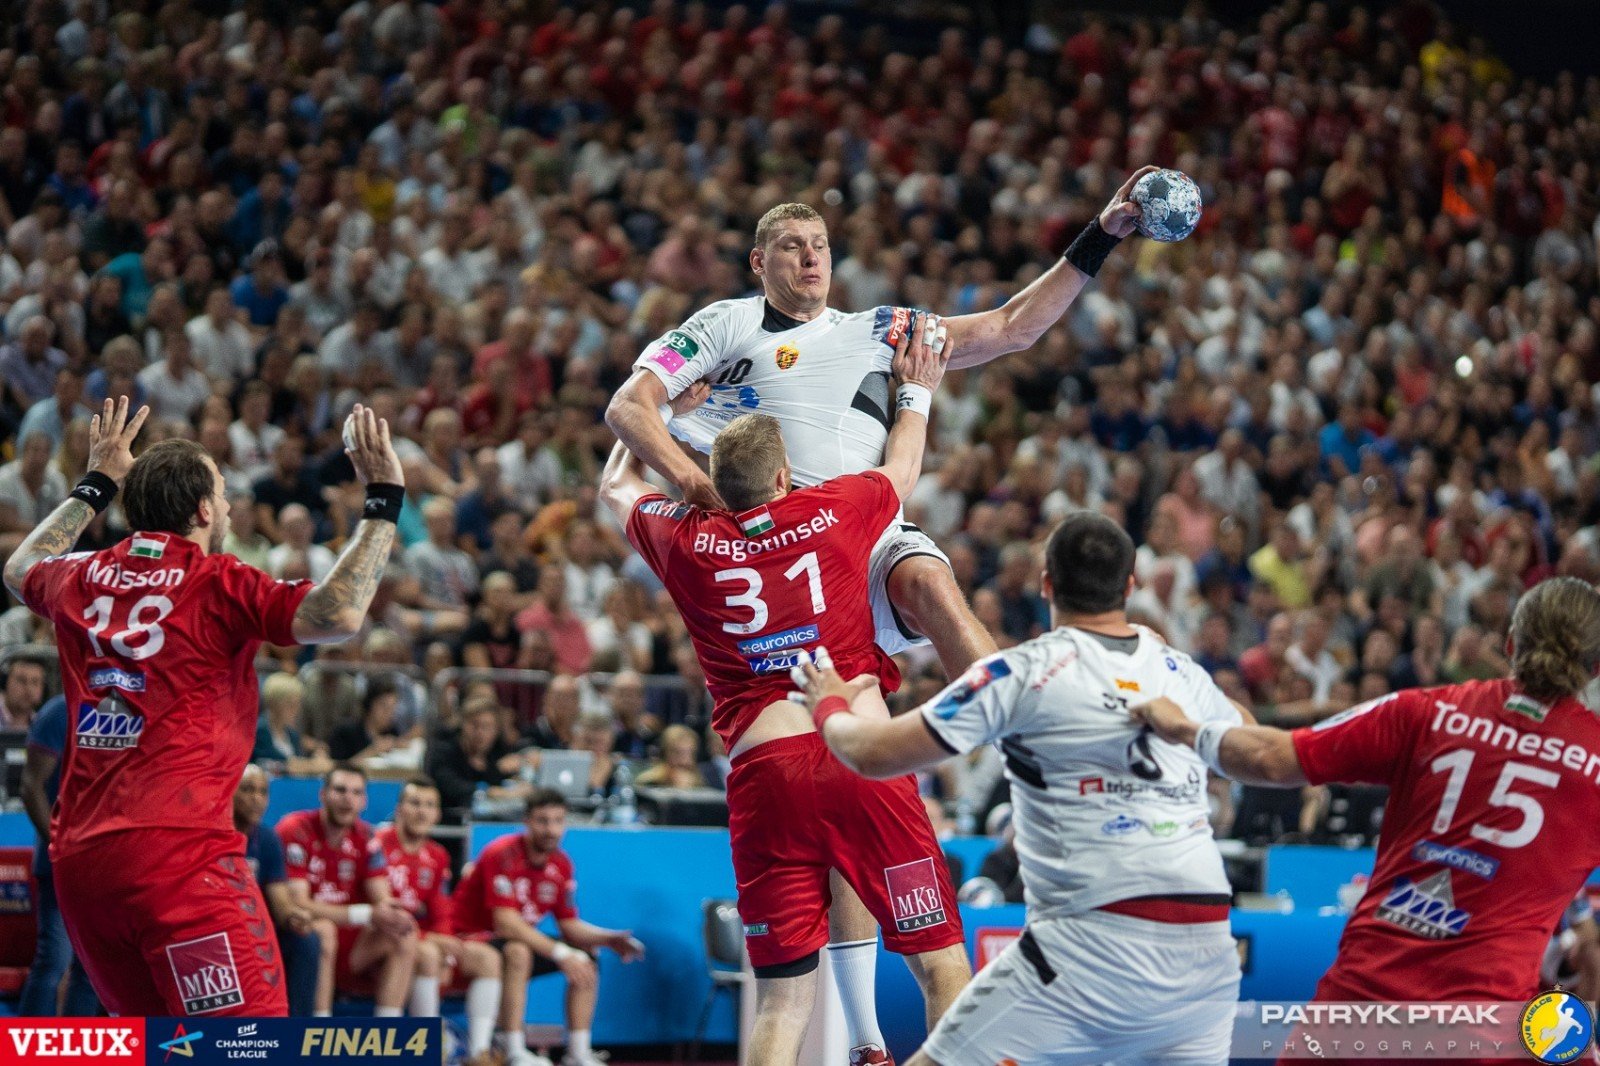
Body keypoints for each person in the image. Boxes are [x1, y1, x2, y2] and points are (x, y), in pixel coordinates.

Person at [599, 316, 969, 1066]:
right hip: (858, 755)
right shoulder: (830, 510)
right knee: (940, 966)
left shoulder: (688, 540)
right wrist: (917, 393)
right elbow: (901, 471)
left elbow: (616, 483)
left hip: (764, 774)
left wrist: (667, 415)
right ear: (782, 476)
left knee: (782, 1000)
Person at [791, 511, 1247, 1066]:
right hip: (1207, 952)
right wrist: (1189, 727)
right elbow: (1255, 749)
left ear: (1046, 584)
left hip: (1093, 939)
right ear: (1129, 587)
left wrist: (829, 704)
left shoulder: (1020, 672)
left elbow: (873, 754)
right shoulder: (1181, 673)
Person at [0, 398, 407, 1017]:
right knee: (247, 1046)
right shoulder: (217, 581)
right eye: (221, 493)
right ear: (203, 510)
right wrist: (382, 501)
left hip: (83, 868)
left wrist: (95, 482)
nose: (228, 507)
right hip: (178, 863)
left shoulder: (82, 576)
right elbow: (339, 613)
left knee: (162, 1046)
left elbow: (19, 568)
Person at [1134, 576, 1600, 1022]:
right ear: (1594, 668)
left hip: (1360, 1001)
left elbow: (1271, 760)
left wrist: (1184, 727)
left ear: (1511, 643)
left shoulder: (1427, 710)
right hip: (1483, 1026)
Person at [454, 790, 645, 1066]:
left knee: (586, 955)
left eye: (558, 821)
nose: (551, 830)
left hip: (511, 940)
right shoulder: (502, 853)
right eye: (542, 821)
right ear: (527, 821)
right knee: (519, 951)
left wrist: (606, 938)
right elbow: (506, 924)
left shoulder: (561, 864)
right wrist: (560, 953)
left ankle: (578, 1053)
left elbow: (568, 924)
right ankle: (513, 1049)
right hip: (473, 938)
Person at [276, 763, 418, 1018]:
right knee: (325, 930)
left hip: (350, 950)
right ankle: (320, 1030)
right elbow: (298, 903)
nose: (347, 799)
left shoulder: (367, 836)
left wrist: (391, 912)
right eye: (340, 790)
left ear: (364, 801)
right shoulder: (295, 829)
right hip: (300, 940)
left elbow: (382, 896)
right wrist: (367, 914)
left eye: (356, 793)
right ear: (323, 794)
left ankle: (388, 1032)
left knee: (404, 931)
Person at [376, 777, 504, 1062]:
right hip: (379, 939)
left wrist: (447, 950)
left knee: (488, 958)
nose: (422, 811)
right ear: (399, 809)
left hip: (420, 939)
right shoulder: (378, 845)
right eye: (415, 803)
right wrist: (435, 943)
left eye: (429, 805)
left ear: (437, 814)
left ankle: (478, 1053)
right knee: (429, 953)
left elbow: (441, 912)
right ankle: (427, 1051)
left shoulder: (437, 855)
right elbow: (380, 911)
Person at [17, 694, 99, 1016]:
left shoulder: (127, 709)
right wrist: (59, 844)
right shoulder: (59, 712)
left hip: (105, 865)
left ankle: (77, 1043)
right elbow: (30, 786)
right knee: (54, 960)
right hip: (60, 866)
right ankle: (27, 1042)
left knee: (92, 969)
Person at [233, 763, 320, 1016]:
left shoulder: (268, 840)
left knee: (306, 939)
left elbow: (279, 901)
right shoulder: (213, 835)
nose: (257, 799)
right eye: (248, 790)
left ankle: (297, 1028)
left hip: (257, 932)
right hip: (223, 930)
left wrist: (293, 916)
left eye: (263, 792)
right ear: (229, 793)